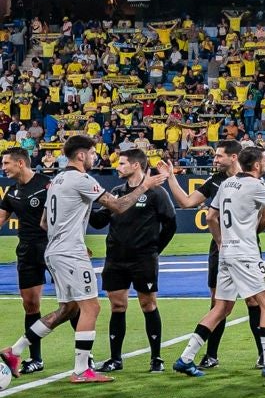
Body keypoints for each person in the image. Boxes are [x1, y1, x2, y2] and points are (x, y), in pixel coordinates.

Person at [3, 137, 167, 384]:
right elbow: (119, 206)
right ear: (80, 155)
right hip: (70, 252)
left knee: (68, 309)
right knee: (92, 307)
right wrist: (146, 185)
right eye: (91, 153)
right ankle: (81, 370)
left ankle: (14, 351)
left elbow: (44, 222)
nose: (94, 157)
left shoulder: (56, 180)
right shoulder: (82, 179)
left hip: (55, 250)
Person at [172, 146, 265, 378]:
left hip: (226, 253)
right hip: (246, 253)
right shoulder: (256, 185)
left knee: (221, 307)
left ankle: (185, 358)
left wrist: (222, 242)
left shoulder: (226, 184)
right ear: (255, 165)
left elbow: (211, 217)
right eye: (264, 160)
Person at [157, 141, 262, 369]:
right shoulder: (215, 181)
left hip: (244, 248)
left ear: (234, 157)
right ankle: (211, 355)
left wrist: (249, 232)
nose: (214, 160)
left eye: (219, 156)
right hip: (220, 250)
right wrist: (171, 178)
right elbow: (186, 202)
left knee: (254, 301)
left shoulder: (253, 182)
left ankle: (263, 355)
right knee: (218, 303)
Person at [91, 148, 176, 373]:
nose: (117, 167)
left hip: (143, 260)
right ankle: (115, 359)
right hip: (115, 259)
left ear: (136, 165)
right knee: (117, 306)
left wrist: (155, 249)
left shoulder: (157, 193)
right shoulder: (117, 192)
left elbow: (170, 223)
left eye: (122, 163)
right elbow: (100, 221)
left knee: (148, 305)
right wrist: (82, 204)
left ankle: (156, 358)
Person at [0, 147, 56, 373]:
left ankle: (85, 357)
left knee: (71, 302)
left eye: (6, 164)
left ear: (20, 163)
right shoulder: (11, 192)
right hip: (27, 251)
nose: (3, 168)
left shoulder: (48, 184)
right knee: (31, 304)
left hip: (53, 248)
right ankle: (36, 359)